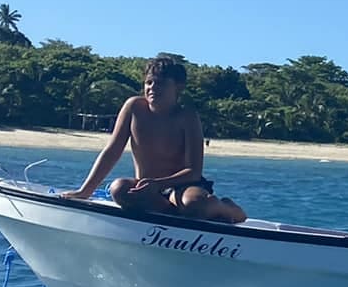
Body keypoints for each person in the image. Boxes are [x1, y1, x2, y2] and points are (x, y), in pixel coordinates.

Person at [61, 55, 247, 224]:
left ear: (178, 86)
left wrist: (159, 184)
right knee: (118, 189)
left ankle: (225, 207)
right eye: (149, 82)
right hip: (147, 189)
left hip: (182, 187)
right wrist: (85, 191)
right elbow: (112, 151)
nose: (152, 88)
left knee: (193, 204)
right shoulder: (134, 107)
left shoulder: (187, 117)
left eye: (160, 84)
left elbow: (194, 171)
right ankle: (172, 216)